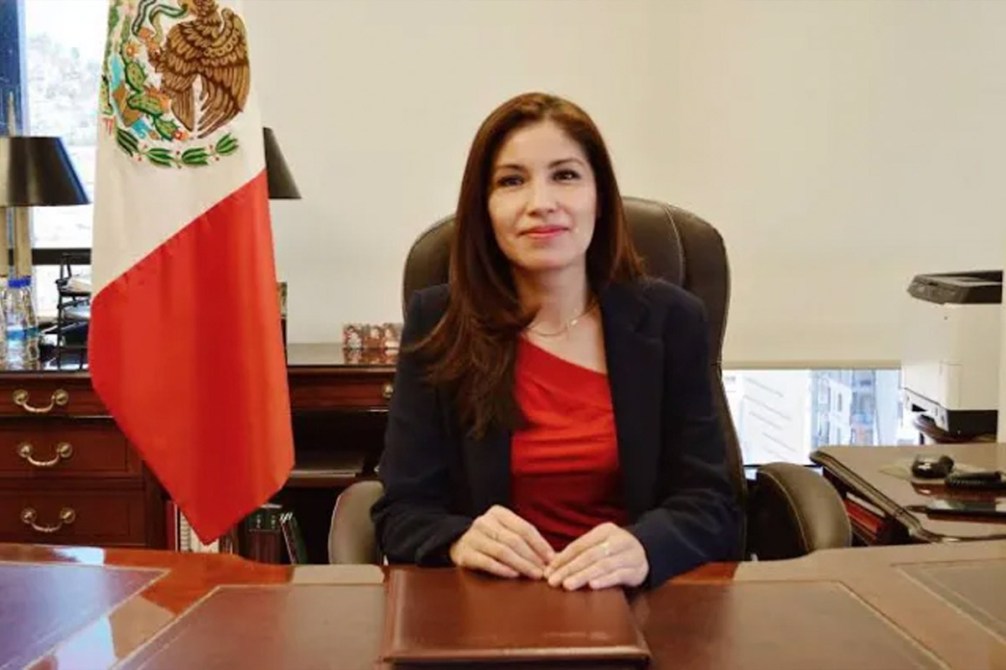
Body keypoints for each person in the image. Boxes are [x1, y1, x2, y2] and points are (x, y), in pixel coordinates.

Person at [371, 92, 741, 590]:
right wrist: (458, 539)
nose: (540, 203)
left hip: (639, 600)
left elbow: (713, 502)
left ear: (600, 197)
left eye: (565, 175)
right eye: (511, 181)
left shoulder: (671, 320)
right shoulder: (439, 321)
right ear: (484, 207)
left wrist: (647, 546)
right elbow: (402, 510)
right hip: (490, 608)